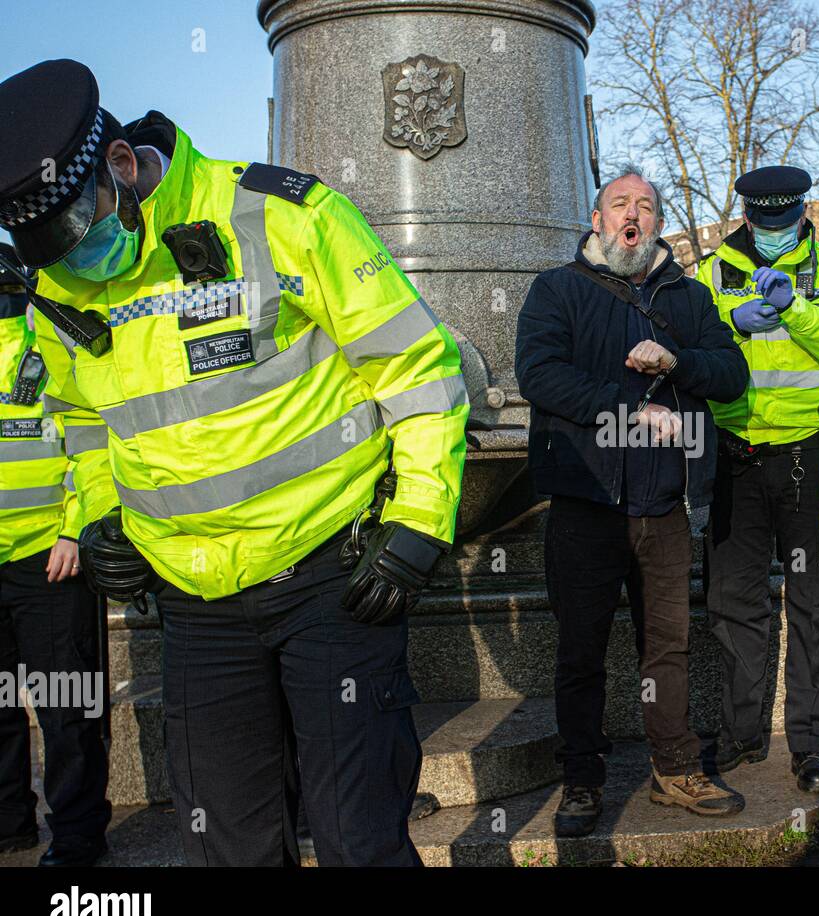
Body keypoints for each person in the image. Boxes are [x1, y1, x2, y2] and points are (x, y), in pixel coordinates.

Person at [0, 59, 469, 866]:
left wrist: (420, 522)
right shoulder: (61, 283)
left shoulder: (279, 213)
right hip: (193, 606)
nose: (80, 267)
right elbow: (81, 415)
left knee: (360, 841)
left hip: (331, 581)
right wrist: (106, 515)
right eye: (53, 256)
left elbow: (415, 366)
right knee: (226, 847)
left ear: (120, 166)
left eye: (83, 235)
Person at [516, 167, 749, 836]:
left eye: (645, 206)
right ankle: (582, 780)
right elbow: (539, 374)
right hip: (585, 500)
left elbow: (731, 376)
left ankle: (674, 768)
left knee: (667, 647)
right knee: (581, 649)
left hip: (663, 503)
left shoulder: (689, 295)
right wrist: (628, 409)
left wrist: (674, 359)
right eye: (620, 203)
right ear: (596, 219)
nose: (633, 213)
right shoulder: (556, 289)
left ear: (657, 224)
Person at [694, 165, 819, 793]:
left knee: (815, 604)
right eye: (763, 219)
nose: (775, 229)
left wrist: (794, 310)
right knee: (733, 602)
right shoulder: (708, 271)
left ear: (802, 213)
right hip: (734, 454)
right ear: (746, 216)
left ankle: (810, 746)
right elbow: (690, 349)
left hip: (813, 454)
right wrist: (731, 325)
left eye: (785, 219)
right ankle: (742, 736)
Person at [0, 243, 111, 866]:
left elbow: (89, 440)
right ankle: (8, 823)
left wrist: (74, 530)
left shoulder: (48, 348)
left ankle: (76, 838)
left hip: (48, 559)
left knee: (66, 706)